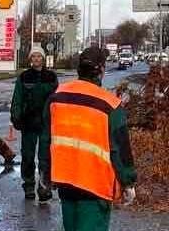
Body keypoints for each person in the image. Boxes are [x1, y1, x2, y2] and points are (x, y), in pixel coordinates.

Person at [40, 47, 137, 231]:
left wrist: (45, 172)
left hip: (66, 182)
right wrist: (128, 182)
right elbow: (120, 149)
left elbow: (46, 139)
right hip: (95, 185)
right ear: (101, 70)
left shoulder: (56, 97)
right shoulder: (109, 104)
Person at [11, 44, 58, 202]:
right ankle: (29, 185)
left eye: (39, 56)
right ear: (30, 59)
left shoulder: (51, 77)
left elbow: (57, 100)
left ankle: (44, 187)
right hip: (29, 122)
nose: (37, 59)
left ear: (43, 59)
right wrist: (16, 116)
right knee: (28, 155)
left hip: (46, 122)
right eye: (34, 56)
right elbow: (17, 98)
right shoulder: (24, 77)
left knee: (45, 157)